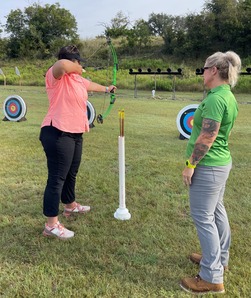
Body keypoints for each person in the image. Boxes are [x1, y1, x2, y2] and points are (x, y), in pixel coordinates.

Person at [180, 51, 241, 294]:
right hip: (219, 163)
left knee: (203, 217)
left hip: (208, 166)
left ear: (214, 70)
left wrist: (191, 165)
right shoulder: (226, 95)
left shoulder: (216, 98)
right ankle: (219, 259)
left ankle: (211, 276)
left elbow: (207, 136)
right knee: (216, 211)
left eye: (204, 68)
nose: (202, 73)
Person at [39, 45, 116, 240]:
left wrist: (108, 89)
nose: (80, 66)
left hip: (75, 133)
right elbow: (62, 64)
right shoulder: (56, 76)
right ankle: (51, 225)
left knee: (71, 172)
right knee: (57, 178)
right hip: (57, 131)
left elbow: (92, 85)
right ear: (75, 62)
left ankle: (70, 205)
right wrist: (76, 67)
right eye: (78, 62)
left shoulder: (77, 80)